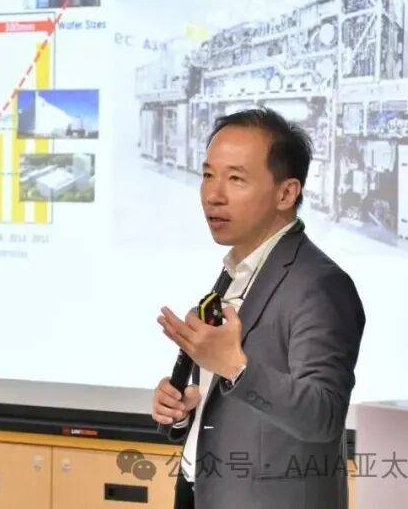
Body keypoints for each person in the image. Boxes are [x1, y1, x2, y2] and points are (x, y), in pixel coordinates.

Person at [153, 108, 366, 508]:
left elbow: (323, 415)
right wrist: (185, 411)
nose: (213, 194)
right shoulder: (235, 271)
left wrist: (235, 367)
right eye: (208, 175)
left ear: (286, 193)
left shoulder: (320, 284)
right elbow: (234, 408)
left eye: (235, 179)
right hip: (200, 492)